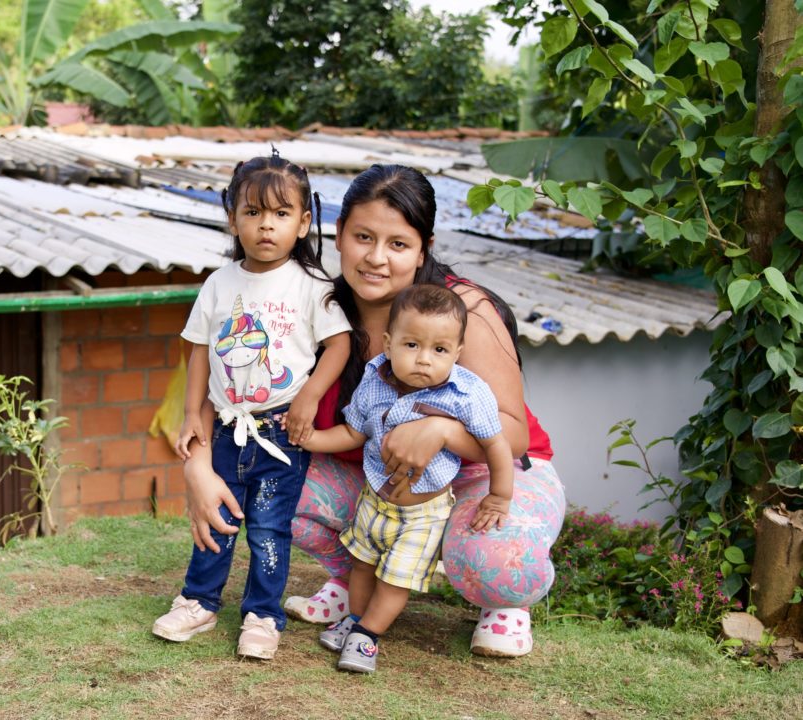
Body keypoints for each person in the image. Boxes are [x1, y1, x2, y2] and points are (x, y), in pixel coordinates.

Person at [183, 164, 565, 659]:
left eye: (398, 244)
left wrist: (439, 430)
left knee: (500, 561)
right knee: (279, 485)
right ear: (337, 234)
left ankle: (503, 604)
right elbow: (226, 372)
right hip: (381, 481)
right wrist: (197, 463)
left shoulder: (458, 309)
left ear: (423, 247)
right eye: (363, 237)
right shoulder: (311, 301)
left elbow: (512, 434)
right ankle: (354, 580)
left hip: (488, 473)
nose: (377, 258)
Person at [151, 151, 351, 661]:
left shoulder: (313, 286)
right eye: (253, 212)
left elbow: (340, 346)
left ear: (304, 222)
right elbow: (199, 351)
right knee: (215, 518)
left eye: (281, 214)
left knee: (267, 526)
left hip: (281, 434)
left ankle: (263, 615)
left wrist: (308, 395)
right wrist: (193, 413)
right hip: (225, 431)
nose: (266, 225)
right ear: (233, 218)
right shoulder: (219, 284)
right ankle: (198, 601)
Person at [297, 284, 514, 673]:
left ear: (458, 353)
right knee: (362, 564)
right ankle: (356, 620)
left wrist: (499, 495)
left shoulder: (467, 393)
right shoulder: (373, 379)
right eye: (411, 345)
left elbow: (496, 444)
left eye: (439, 350)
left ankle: (368, 638)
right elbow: (354, 432)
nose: (423, 360)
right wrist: (313, 438)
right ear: (388, 342)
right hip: (374, 501)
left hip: (422, 513)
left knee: (396, 579)